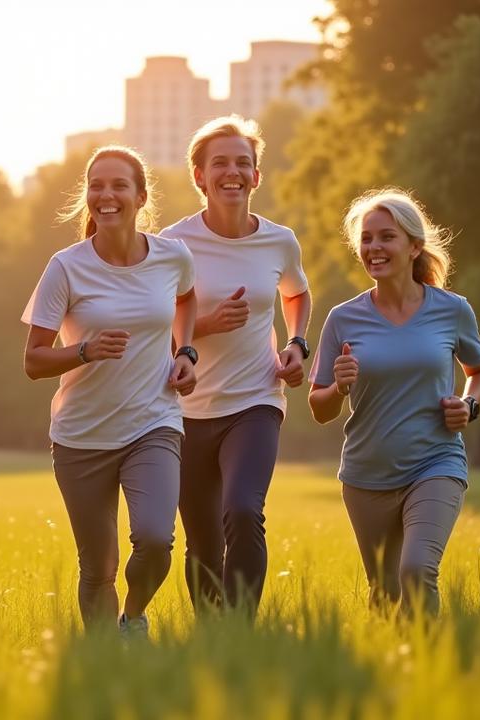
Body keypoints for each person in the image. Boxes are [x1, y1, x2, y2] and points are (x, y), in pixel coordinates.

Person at [22, 145, 197, 638]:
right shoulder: (66, 267)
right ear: (87, 197)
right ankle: (102, 660)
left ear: (140, 196)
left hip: (154, 422)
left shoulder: (171, 256)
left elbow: (185, 299)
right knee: (97, 567)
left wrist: (185, 353)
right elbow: (33, 359)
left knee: (156, 539)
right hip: (81, 436)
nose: (106, 195)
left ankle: (134, 617)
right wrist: (84, 351)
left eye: (119, 185)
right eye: (96, 185)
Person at [308, 188, 480, 617]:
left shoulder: (452, 310)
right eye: (367, 239)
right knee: (385, 593)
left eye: (386, 237)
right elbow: (319, 408)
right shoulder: (343, 318)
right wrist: (338, 387)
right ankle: (396, 671)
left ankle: (433, 666)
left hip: (435, 462)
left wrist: (469, 405)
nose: (374, 247)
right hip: (366, 474)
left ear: (414, 246)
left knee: (416, 570)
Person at [160, 115, 312, 617]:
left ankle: (240, 629)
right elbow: (151, 324)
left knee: (244, 511)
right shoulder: (171, 244)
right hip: (184, 411)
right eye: (219, 163)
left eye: (243, 163)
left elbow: (297, 293)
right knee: (203, 541)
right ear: (199, 176)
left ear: (256, 176)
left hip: (256, 401)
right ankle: (212, 636)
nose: (232, 172)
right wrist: (204, 324)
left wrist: (297, 344)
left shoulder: (279, 241)